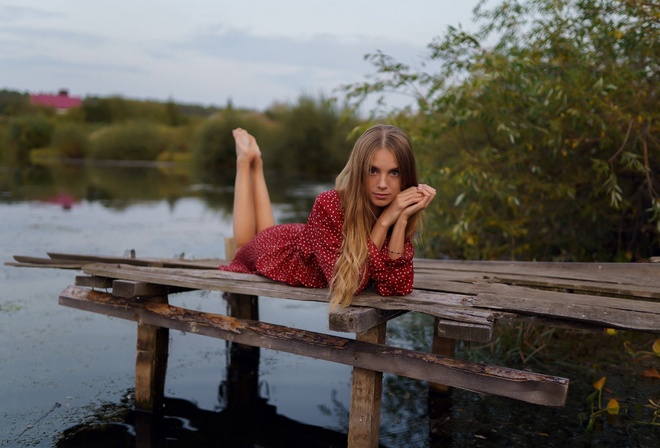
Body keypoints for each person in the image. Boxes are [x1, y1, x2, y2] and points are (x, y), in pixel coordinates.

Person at [219, 124, 436, 309]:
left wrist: (401, 221)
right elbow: (348, 287)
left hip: (307, 239)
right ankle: (245, 162)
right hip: (282, 252)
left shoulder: (397, 207)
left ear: (405, 177)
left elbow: (397, 286)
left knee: (262, 234)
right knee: (243, 248)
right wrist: (385, 221)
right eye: (373, 170)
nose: (382, 184)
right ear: (359, 170)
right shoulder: (329, 203)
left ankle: (256, 165)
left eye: (394, 173)